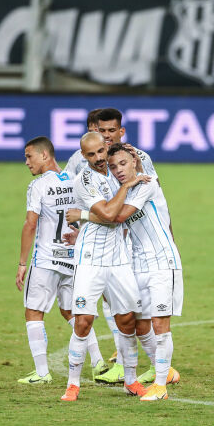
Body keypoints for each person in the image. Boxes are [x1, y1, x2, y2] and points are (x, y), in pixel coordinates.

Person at [68, 143, 182, 401]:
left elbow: (116, 218)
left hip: (162, 263)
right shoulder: (122, 190)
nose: (118, 170)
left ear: (134, 161)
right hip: (137, 264)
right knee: (139, 324)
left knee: (160, 325)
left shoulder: (147, 183)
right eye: (113, 166)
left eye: (123, 164)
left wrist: (83, 215)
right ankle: (160, 372)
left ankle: (161, 385)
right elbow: (114, 214)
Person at [60, 132, 148, 402]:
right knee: (83, 321)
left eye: (101, 151)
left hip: (119, 259)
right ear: (83, 156)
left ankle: (131, 381)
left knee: (127, 321)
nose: (98, 158)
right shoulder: (84, 179)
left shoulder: (117, 168)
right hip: (90, 259)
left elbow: (128, 203)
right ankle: (73, 384)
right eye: (91, 154)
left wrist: (134, 166)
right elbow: (110, 215)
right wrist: (126, 187)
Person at [15, 136, 108, 384]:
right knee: (72, 311)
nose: (26, 162)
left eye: (29, 156)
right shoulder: (75, 182)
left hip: (46, 260)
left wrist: (23, 263)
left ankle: (42, 372)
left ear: (45, 155)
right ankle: (98, 362)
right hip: (72, 258)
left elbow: (30, 223)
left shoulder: (38, 186)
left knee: (33, 312)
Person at [91, 107, 160, 385]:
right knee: (113, 301)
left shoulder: (136, 158)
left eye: (111, 131)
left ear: (121, 132)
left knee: (137, 308)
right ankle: (125, 361)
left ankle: (148, 364)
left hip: (136, 240)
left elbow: (153, 195)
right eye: (102, 130)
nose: (106, 136)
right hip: (110, 240)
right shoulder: (93, 161)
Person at [64, 109, 101, 177]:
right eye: (91, 131)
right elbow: (66, 181)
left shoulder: (118, 154)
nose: (93, 135)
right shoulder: (78, 156)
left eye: (97, 131)